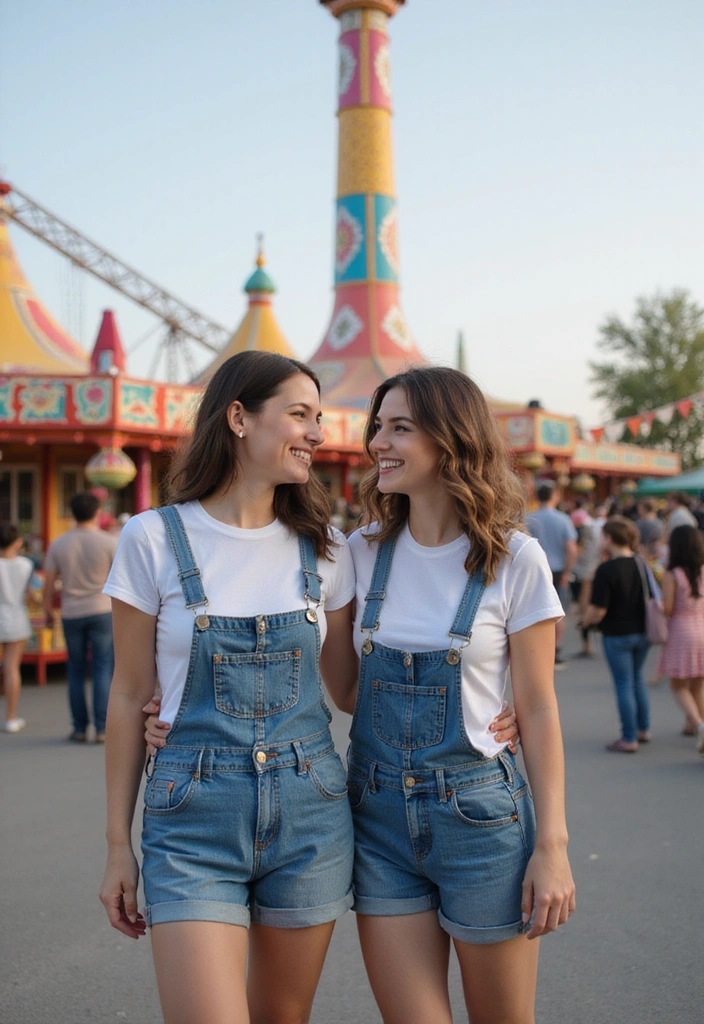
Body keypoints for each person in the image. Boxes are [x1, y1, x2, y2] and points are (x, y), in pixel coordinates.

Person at [103, 353, 519, 1024]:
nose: (319, 432)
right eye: (300, 415)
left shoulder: (328, 549)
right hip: (191, 817)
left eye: (320, 417)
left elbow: (355, 690)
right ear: (238, 417)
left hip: (311, 815)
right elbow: (128, 697)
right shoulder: (151, 538)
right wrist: (117, 846)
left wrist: (494, 703)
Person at [344, 368, 574, 1024]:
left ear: (451, 441)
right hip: (378, 818)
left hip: (481, 819)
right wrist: (173, 703)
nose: (377, 443)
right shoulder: (358, 552)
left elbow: (538, 707)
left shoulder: (515, 558)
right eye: (377, 427)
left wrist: (552, 846)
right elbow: (336, 685)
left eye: (399, 428)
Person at [43, 492, 118, 742]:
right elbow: (120, 580)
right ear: (98, 512)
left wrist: (46, 610)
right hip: (102, 609)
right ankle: (101, 728)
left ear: (72, 514)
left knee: (74, 669)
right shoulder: (109, 542)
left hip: (71, 611)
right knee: (102, 668)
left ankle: (78, 727)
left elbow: (50, 582)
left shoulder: (59, 543)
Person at [582, 516, 650, 753]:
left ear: (609, 538)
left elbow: (598, 610)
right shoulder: (641, 564)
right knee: (637, 680)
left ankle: (628, 737)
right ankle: (643, 728)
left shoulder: (607, 569)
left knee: (623, 684)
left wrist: (584, 622)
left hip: (617, 633)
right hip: (643, 631)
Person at [656, 525, 704, 752]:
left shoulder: (672, 573)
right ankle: (692, 725)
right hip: (702, 625)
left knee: (678, 684)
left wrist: (656, 605)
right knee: (697, 683)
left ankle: (699, 724)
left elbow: (667, 608)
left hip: (681, 630)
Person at [525, 482, 578, 668]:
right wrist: (567, 571)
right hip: (557, 569)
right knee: (557, 612)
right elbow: (571, 549)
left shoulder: (528, 518)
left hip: (533, 570)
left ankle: (536, 650)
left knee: (533, 611)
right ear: (555, 496)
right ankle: (555, 649)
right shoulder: (563, 519)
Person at [0, 523, 33, 732]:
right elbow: (29, 595)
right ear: (18, 541)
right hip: (17, 617)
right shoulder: (26, 564)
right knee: (12, 668)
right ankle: (11, 718)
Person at [570, 508, 600, 657]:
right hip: (588, 572)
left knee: (584, 610)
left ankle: (588, 646)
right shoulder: (592, 530)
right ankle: (587, 645)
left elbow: (578, 551)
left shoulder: (584, 532)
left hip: (584, 574)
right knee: (585, 609)